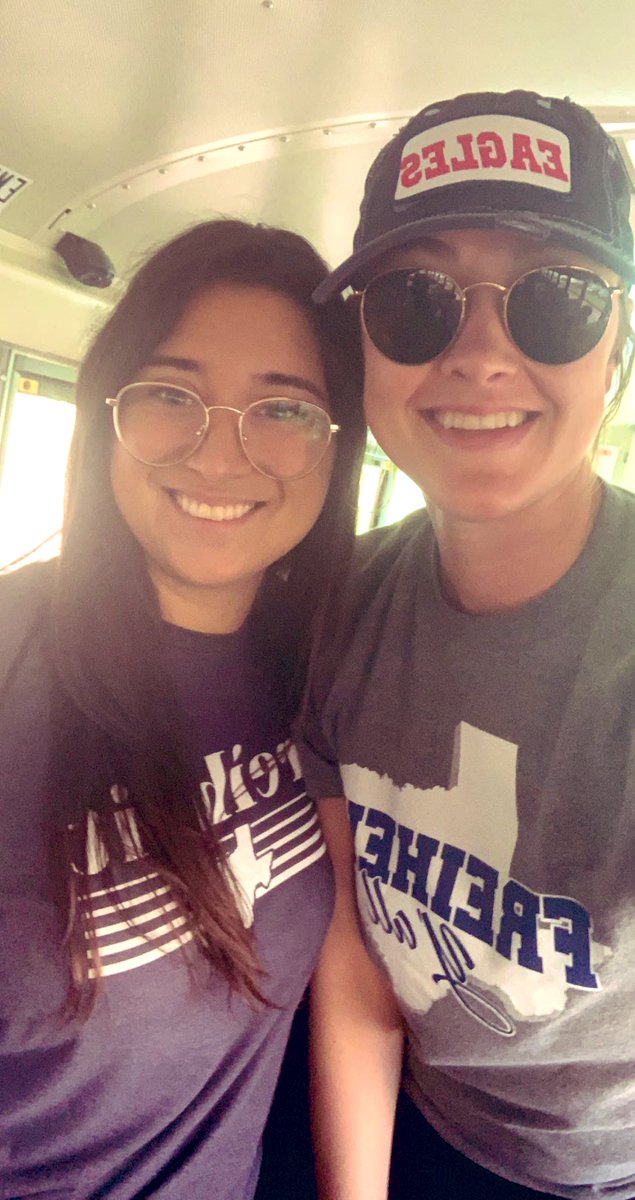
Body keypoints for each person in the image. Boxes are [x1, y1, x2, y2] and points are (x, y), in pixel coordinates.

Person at [300, 90, 635, 1200]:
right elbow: (356, 949)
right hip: (417, 1125)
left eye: (553, 300)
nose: (481, 354)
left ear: (614, 348)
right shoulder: (342, 602)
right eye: (414, 302)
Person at [0, 218, 365, 1199]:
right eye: (171, 395)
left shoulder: (328, 671)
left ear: (338, 451)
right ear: (105, 412)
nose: (217, 453)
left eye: (282, 409)